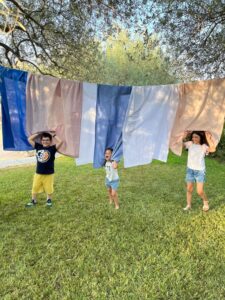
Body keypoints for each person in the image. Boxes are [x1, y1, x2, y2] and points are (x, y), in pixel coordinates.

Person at [26, 131, 62, 207]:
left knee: (49, 187)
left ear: (50, 141)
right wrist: (38, 133)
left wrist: (53, 135)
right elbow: (29, 139)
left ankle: (49, 200)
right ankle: (33, 201)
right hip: (38, 172)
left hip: (49, 173)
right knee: (35, 187)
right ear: (41, 141)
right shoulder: (38, 146)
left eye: (47, 140)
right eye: (43, 140)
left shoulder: (52, 148)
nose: (45, 141)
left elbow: (61, 141)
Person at [183, 131, 215, 212]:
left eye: (196, 137)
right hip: (190, 169)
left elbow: (213, 149)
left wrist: (208, 138)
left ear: (200, 138)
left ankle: (205, 201)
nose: (194, 138)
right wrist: (184, 135)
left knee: (199, 191)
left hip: (200, 171)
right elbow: (179, 145)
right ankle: (189, 205)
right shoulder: (190, 144)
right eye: (193, 137)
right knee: (189, 189)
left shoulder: (203, 146)